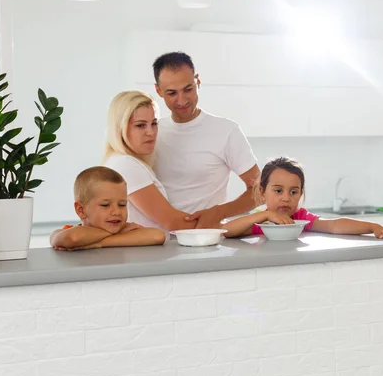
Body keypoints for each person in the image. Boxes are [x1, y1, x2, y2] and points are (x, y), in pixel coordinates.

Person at [152, 51, 260, 229]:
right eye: (171, 93)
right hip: (156, 240)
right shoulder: (152, 132)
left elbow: (260, 191)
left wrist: (219, 212)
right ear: (158, 91)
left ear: (198, 81)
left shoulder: (226, 131)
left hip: (206, 238)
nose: (182, 100)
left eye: (188, 89)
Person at [223, 157, 383, 239]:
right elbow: (226, 231)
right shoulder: (259, 222)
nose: (286, 198)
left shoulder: (301, 218)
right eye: (278, 191)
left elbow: (334, 226)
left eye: (293, 192)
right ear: (262, 192)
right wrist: (263, 216)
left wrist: (371, 226)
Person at [102, 90, 198, 232]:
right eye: (140, 125)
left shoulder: (120, 161)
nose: (151, 132)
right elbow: (173, 222)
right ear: (120, 128)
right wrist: (223, 223)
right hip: (144, 253)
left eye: (154, 123)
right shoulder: (127, 165)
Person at [49, 166, 166, 251]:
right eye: (105, 205)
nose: (116, 212)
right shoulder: (68, 230)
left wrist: (98, 243)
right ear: (81, 210)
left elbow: (157, 235)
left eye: (122, 205)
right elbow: (73, 238)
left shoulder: (124, 230)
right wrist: (118, 235)